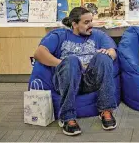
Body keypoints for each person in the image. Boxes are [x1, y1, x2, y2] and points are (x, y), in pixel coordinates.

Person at [33, 7, 117, 136]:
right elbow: (39, 53)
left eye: (91, 21)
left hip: (89, 80)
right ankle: (67, 117)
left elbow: (113, 52)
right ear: (74, 24)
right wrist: (65, 64)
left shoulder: (98, 35)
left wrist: (108, 53)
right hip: (66, 79)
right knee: (72, 60)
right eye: (86, 22)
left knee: (104, 57)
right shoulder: (60, 35)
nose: (91, 25)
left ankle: (106, 110)